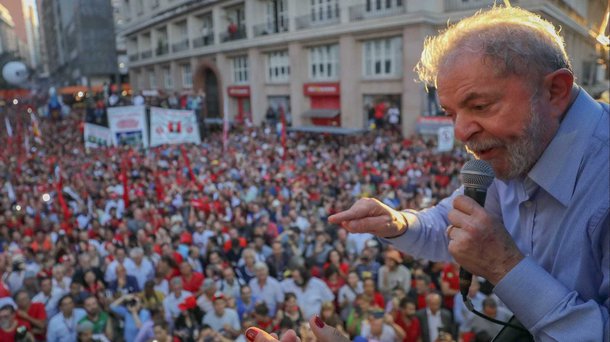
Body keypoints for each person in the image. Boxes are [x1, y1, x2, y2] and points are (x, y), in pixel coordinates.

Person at [246, 5, 609, 342]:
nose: (461, 133)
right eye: (451, 113)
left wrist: (504, 266)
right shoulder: (517, 150)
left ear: (555, 91)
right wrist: (399, 222)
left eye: (479, 106)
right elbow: (449, 220)